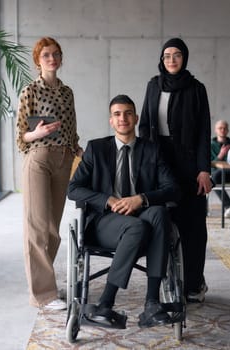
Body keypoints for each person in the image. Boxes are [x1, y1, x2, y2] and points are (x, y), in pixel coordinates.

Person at [68, 94, 180, 328]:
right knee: (137, 226)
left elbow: (173, 189)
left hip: (142, 217)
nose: (123, 118)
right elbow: (73, 189)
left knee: (159, 214)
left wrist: (141, 199)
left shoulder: (152, 150)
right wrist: (107, 199)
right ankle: (106, 303)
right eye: (117, 114)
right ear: (111, 120)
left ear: (136, 118)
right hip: (105, 222)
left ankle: (152, 304)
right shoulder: (95, 149)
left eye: (128, 113)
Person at [139, 37, 213, 303]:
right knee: (162, 222)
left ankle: (194, 283)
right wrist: (144, 163)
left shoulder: (196, 88)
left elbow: (205, 130)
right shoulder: (153, 86)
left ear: (185, 59)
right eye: (167, 55)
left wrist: (204, 170)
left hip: (190, 164)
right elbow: (145, 125)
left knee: (193, 226)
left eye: (177, 55)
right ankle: (166, 281)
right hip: (159, 161)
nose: (171, 60)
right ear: (162, 59)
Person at [16, 37, 83, 310]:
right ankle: (43, 295)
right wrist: (38, 133)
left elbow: (72, 128)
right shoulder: (30, 90)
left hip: (64, 159)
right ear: (37, 60)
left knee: (53, 230)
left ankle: (47, 286)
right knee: (38, 228)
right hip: (39, 159)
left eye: (56, 54)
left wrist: (79, 149)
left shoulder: (67, 92)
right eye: (46, 55)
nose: (52, 58)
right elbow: (21, 136)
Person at [211, 120, 230, 217]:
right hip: (216, 175)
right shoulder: (210, 145)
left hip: (229, 173)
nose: (222, 130)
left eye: (225, 128)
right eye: (220, 128)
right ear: (215, 130)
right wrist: (220, 155)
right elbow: (208, 164)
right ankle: (228, 206)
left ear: (228, 130)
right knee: (214, 176)